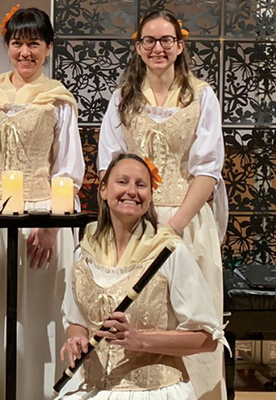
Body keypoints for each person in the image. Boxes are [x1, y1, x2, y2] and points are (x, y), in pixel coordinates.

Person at [0, 6, 85, 400]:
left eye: (34, 44)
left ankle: (38, 393)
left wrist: (50, 228)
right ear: (7, 45)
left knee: (38, 310)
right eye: (17, 43)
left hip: (41, 215)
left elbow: (67, 169)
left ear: (48, 47)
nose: (25, 52)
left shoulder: (58, 101)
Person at [97, 9, 226, 400]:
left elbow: (207, 169)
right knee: (138, 313)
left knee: (191, 318)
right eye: (149, 41)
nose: (158, 48)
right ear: (138, 47)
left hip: (187, 221)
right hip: (133, 222)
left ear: (179, 45)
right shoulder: (123, 98)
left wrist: (174, 226)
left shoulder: (201, 96)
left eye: (166, 40)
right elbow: (109, 165)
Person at [58, 153, 227, 400]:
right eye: (122, 182)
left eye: (141, 185)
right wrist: (77, 338)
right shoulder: (84, 252)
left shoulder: (169, 252)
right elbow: (75, 321)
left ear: (150, 196)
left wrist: (141, 340)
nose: (131, 191)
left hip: (155, 392)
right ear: (103, 190)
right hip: (92, 389)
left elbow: (207, 339)